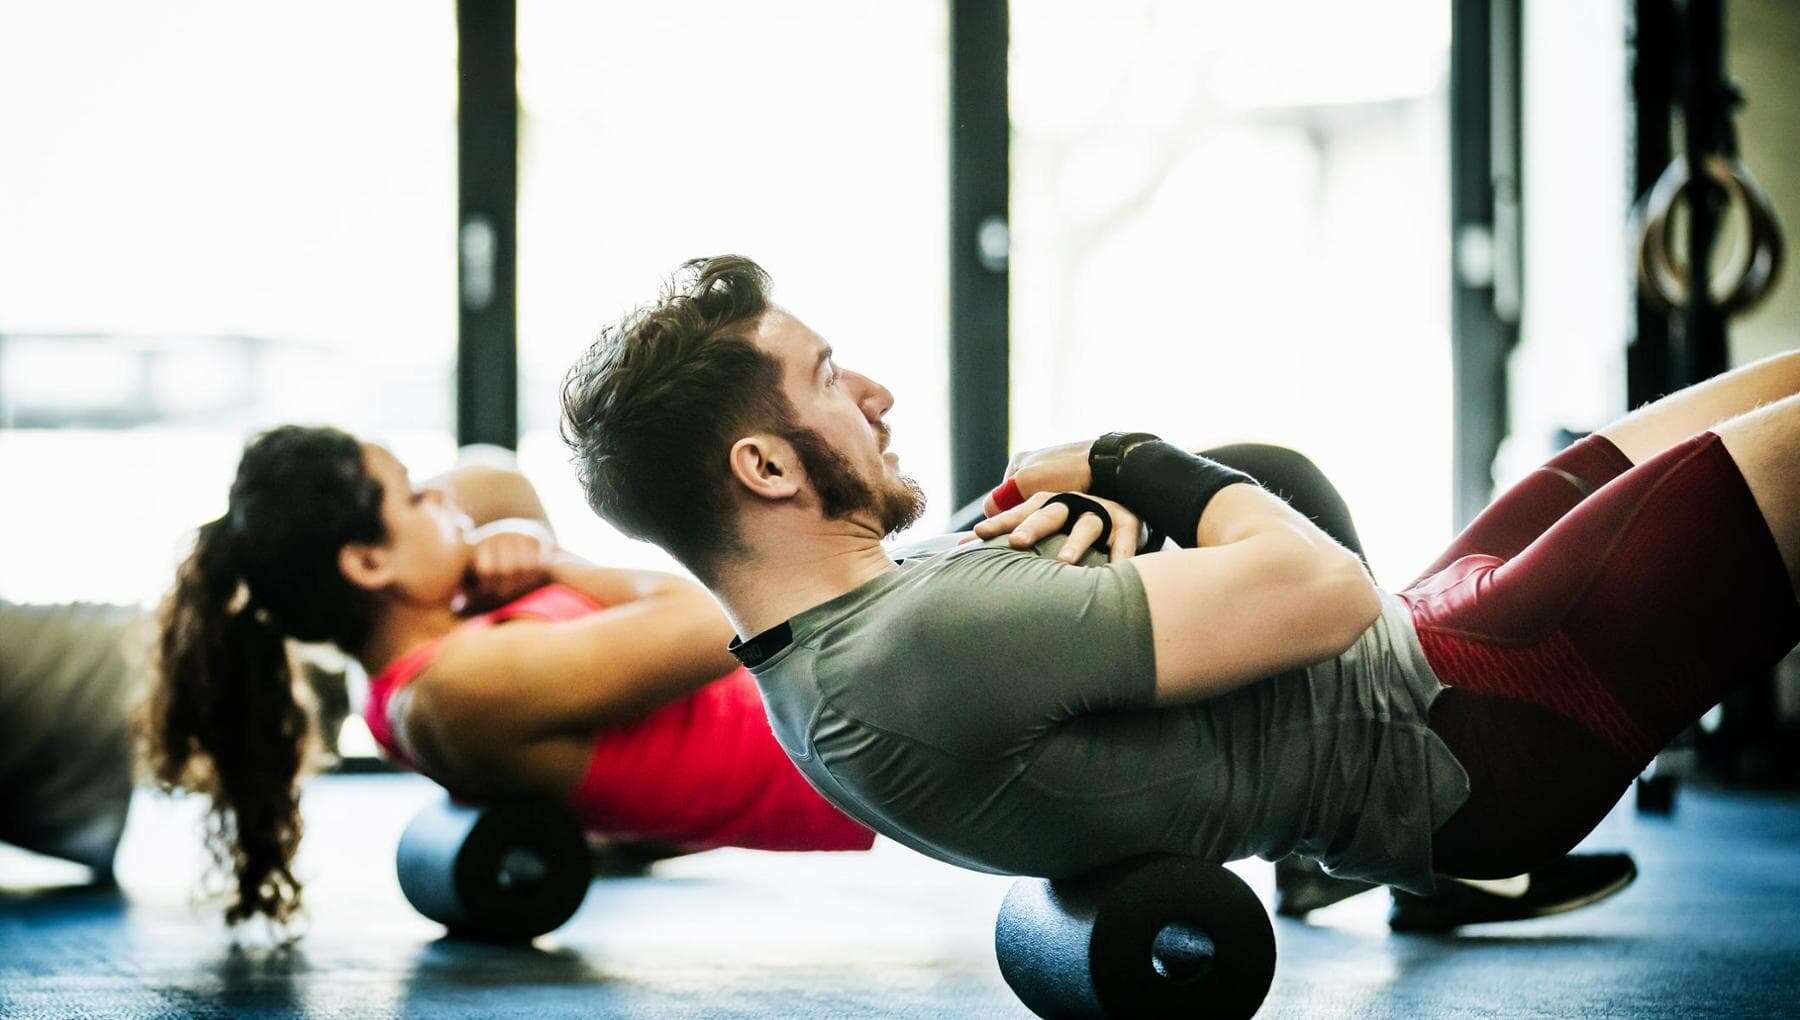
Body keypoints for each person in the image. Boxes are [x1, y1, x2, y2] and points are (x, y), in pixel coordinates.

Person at [558, 254, 1799, 905]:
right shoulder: (908, 646)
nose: (875, 394)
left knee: (1738, 408)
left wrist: (1119, 518)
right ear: (766, 464)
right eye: (830, 378)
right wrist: (1128, 461)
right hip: (1466, 725)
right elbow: (1328, 596)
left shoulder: (851, 642)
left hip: (1427, 680)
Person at [144, 425, 873, 927]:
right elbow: (729, 618)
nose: (446, 500)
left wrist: (512, 544)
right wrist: (558, 565)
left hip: (845, 678)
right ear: (369, 563)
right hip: (867, 727)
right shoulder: (460, 689)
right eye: (414, 496)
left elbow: (497, 479)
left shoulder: (434, 643)